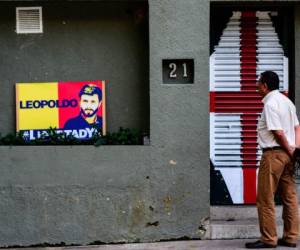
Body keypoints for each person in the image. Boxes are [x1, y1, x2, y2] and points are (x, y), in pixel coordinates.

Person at [245, 71, 300, 248]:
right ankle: (291, 237)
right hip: (289, 155)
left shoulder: (270, 103)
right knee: (290, 197)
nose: (256, 84)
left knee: (265, 197)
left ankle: (268, 239)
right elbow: (297, 128)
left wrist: (288, 150)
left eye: (258, 82)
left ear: (265, 85)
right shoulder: (287, 102)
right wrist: (295, 150)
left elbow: (278, 132)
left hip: (274, 154)